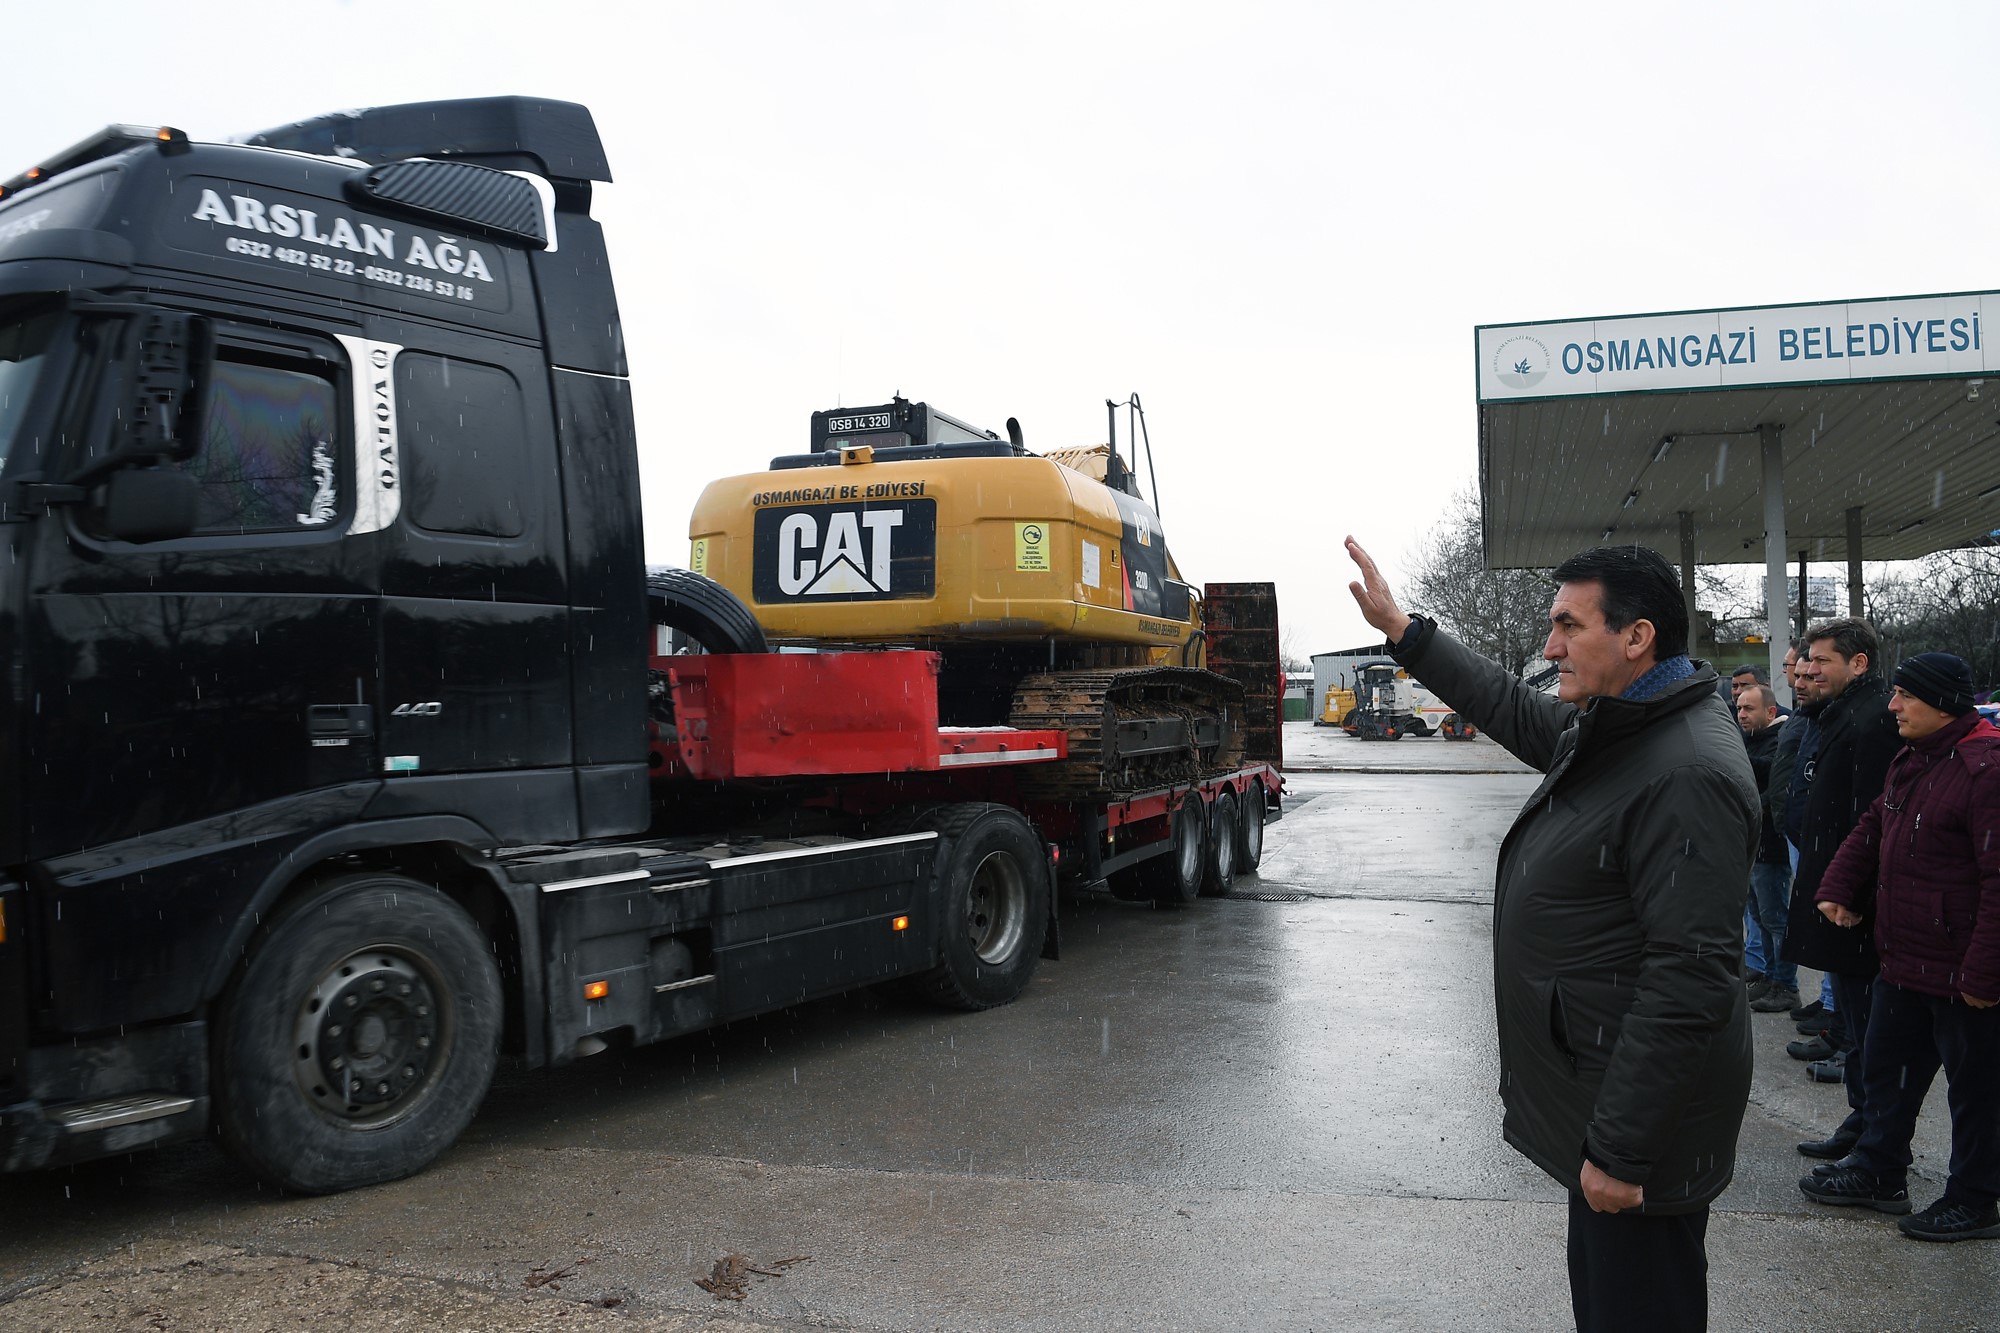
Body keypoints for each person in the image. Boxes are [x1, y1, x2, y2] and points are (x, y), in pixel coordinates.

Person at [1345, 537, 1755, 1333]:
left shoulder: (1686, 770)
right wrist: (1406, 632)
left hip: (1636, 1131)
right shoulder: (1627, 728)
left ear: (1637, 637)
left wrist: (1621, 1150)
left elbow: (1691, 974)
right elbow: (1510, 706)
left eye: (1569, 624)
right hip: (1605, 1102)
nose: (1549, 645)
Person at [1801, 653, 2000, 1240]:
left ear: (1943, 703)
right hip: (1904, 958)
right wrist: (1837, 884)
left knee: (1977, 1094)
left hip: (1964, 972)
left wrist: (1985, 975)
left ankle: (1975, 1197)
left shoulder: (1985, 770)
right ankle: (1879, 1169)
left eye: (1905, 697)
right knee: (1888, 1071)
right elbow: (1873, 826)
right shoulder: (1914, 758)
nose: (1893, 707)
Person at [1784, 618, 1902, 1158]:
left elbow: (1873, 822)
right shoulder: (1844, 714)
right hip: (1838, 899)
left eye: (1821, 661)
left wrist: (1850, 894)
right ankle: (1862, 1127)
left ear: (1858, 664)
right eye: (1807, 660)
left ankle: (1876, 1148)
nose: (1808, 669)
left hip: (1853, 910)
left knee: (1871, 1034)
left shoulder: (1873, 720)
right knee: (1857, 1027)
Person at [1737, 684, 1799, 1013]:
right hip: (1752, 844)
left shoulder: (1781, 740)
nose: (1742, 714)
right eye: (1739, 708)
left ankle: (1786, 985)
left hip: (1770, 846)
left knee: (1776, 919)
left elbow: (1775, 782)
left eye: (1749, 708)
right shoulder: (1748, 740)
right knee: (1761, 918)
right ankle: (1771, 977)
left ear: (1771, 712)